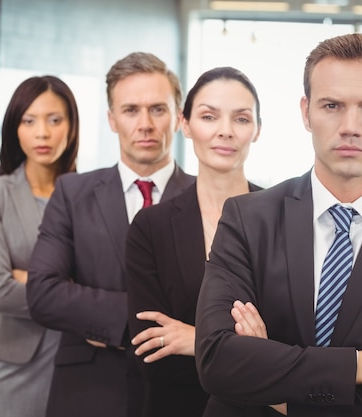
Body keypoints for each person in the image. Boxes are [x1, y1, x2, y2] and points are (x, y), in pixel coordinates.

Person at [194, 33, 362, 417]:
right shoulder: (247, 220)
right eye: (332, 105)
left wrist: (276, 392)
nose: (350, 126)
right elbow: (217, 361)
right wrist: (361, 366)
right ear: (306, 112)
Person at [25, 52, 195, 417]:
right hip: (89, 390)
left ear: (180, 117)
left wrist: (91, 307)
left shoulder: (208, 198)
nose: (145, 124)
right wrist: (138, 323)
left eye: (158, 109)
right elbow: (42, 292)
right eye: (131, 110)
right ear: (112, 119)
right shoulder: (72, 193)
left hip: (187, 391)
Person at [125, 66, 262, 417]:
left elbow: (300, 345)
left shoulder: (286, 218)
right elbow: (153, 356)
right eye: (208, 116)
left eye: (241, 119)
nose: (225, 131)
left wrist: (194, 339)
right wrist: (251, 352)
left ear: (257, 129)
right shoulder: (151, 226)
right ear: (185, 124)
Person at [0, 76, 79, 417]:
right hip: (10, 371)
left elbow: (111, 283)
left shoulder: (92, 195)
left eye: (54, 120)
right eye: (29, 121)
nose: (42, 133)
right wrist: (76, 292)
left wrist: (29, 278)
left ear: (72, 126)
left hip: (82, 364)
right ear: (15, 128)